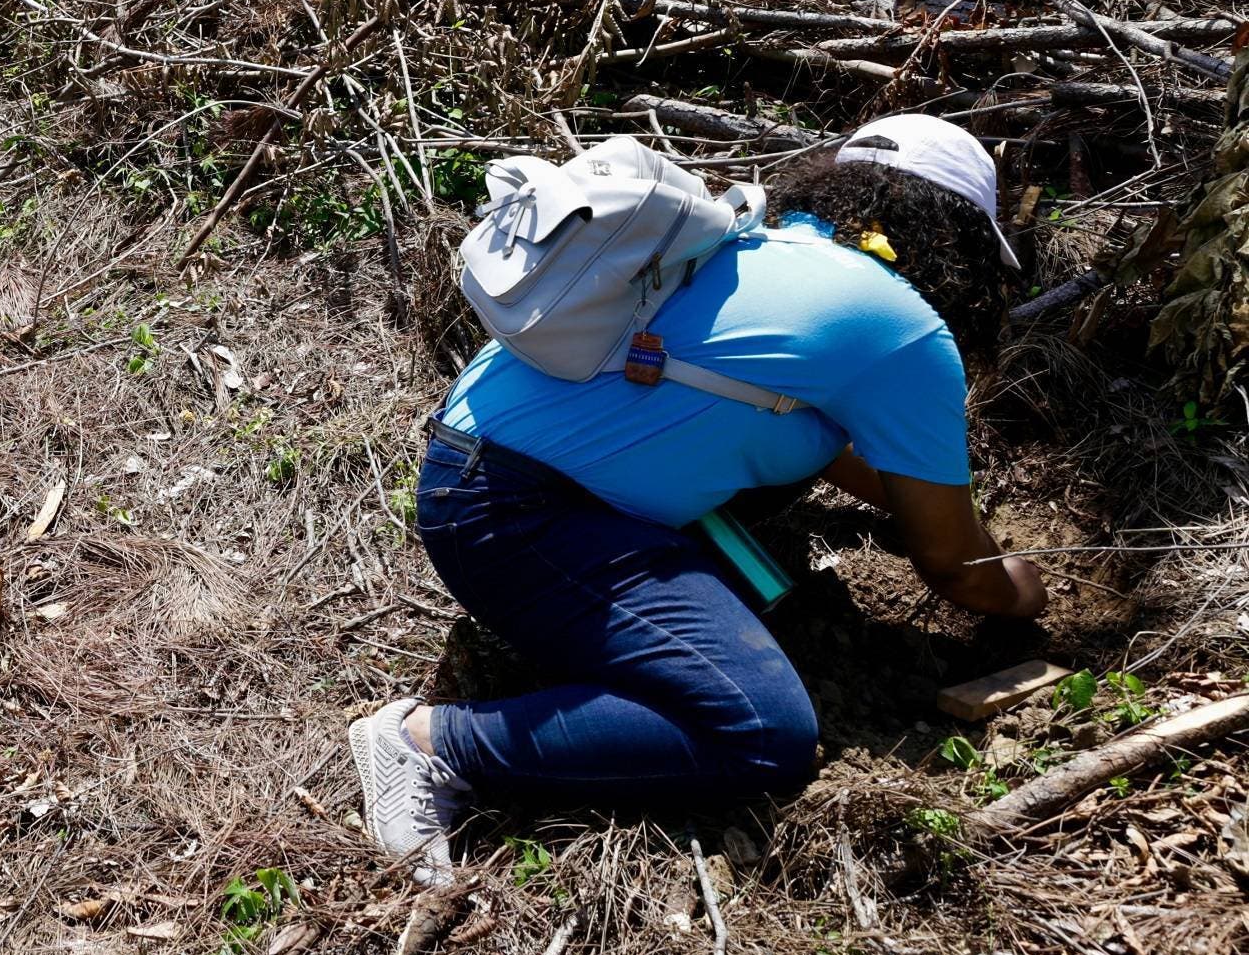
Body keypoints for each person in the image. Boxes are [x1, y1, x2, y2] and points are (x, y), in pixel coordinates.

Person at [347, 114, 1044, 884]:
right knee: (758, 733)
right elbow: (956, 568)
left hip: (474, 465)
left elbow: (809, 432)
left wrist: (913, 506)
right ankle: (431, 743)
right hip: (514, 517)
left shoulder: (753, 247)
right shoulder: (903, 330)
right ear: (959, 241)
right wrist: (1024, 591)